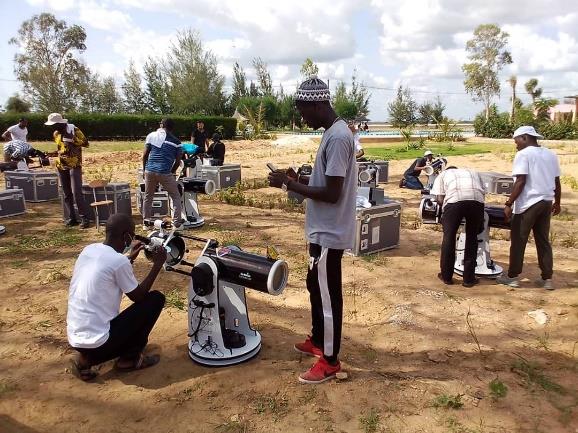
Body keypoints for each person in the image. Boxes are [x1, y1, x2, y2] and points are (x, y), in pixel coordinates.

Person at [268, 77, 356, 384]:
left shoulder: (339, 137)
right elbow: (325, 184)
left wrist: (289, 184)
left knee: (328, 296)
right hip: (320, 231)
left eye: (304, 110)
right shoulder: (332, 133)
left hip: (330, 233)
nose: (302, 117)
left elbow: (333, 193)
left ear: (318, 105)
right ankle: (318, 341)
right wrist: (298, 180)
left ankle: (330, 362)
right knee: (315, 288)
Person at [67, 214, 167, 381]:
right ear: (126, 236)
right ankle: (129, 359)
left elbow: (108, 271)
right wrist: (157, 265)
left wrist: (129, 259)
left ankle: (85, 359)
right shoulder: (118, 261)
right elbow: (139, 297)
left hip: (75, 339)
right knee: (155, 299)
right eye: (132, 235)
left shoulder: (89, 250)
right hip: (99, 343)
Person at [497, 126, 561, 290]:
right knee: (543, 241)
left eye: (516, 140)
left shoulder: (523, 155)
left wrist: (508, 203)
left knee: (519, 240)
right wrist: (557, 202)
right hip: (546, 202)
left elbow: (521, 181)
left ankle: (512, 277)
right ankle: (547, 279)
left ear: (524, 137)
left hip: (528, 204)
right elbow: (556, 182)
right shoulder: (550, 154)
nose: (515, 144)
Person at [431, 166, 485, 287]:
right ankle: (469, 279)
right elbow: (482, 192)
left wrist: (447, 215)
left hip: (455, 202)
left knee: (449, 238)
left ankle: (446, 277)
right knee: (472, 239)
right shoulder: (473, 171)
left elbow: (440, 199)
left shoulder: (443, 174)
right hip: (477, 202)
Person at [45, 113, 91, 228]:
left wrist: (72, 139)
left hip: (74, 165)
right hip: (61, 165)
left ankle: (84, 218)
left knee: (76, 192)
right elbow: (61, 149)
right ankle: (72, 218)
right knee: (66, 193)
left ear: (60, 123)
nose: (52, 127)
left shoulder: (73, 129)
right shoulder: (56, 133)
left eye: (54, 124)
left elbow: (86, 143)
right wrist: (51, 154)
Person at [142, 118, 183, 227]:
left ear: (161, 125)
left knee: (148, 196)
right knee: (175, 196)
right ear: (172, 128)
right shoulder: (177, 142)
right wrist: (171, 172)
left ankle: (146, 223)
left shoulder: (151, 136)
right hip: (164, 172)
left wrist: (144, 170)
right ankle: (177, 223)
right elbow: (178, 161)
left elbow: (145, 156)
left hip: (149, 170)